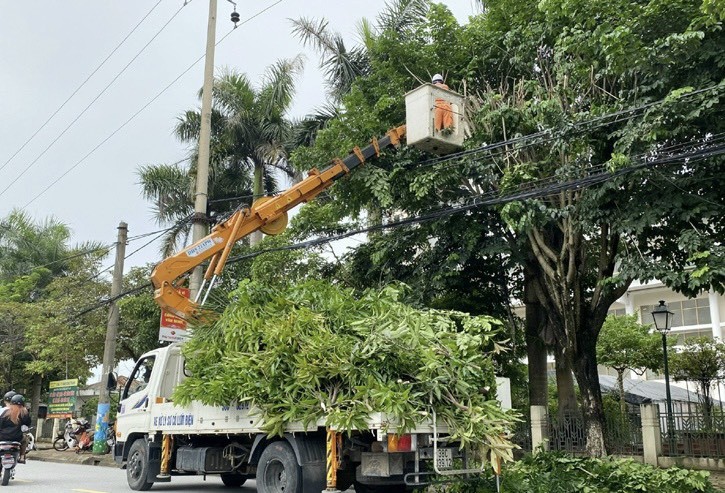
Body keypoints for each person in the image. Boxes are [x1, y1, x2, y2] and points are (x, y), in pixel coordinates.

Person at [0, 394, 30, 463]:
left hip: (2, 437)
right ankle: (22, 457)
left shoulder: (5, 413)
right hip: (16, 438)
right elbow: (27, 424)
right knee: (25, 438)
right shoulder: (23, 413)